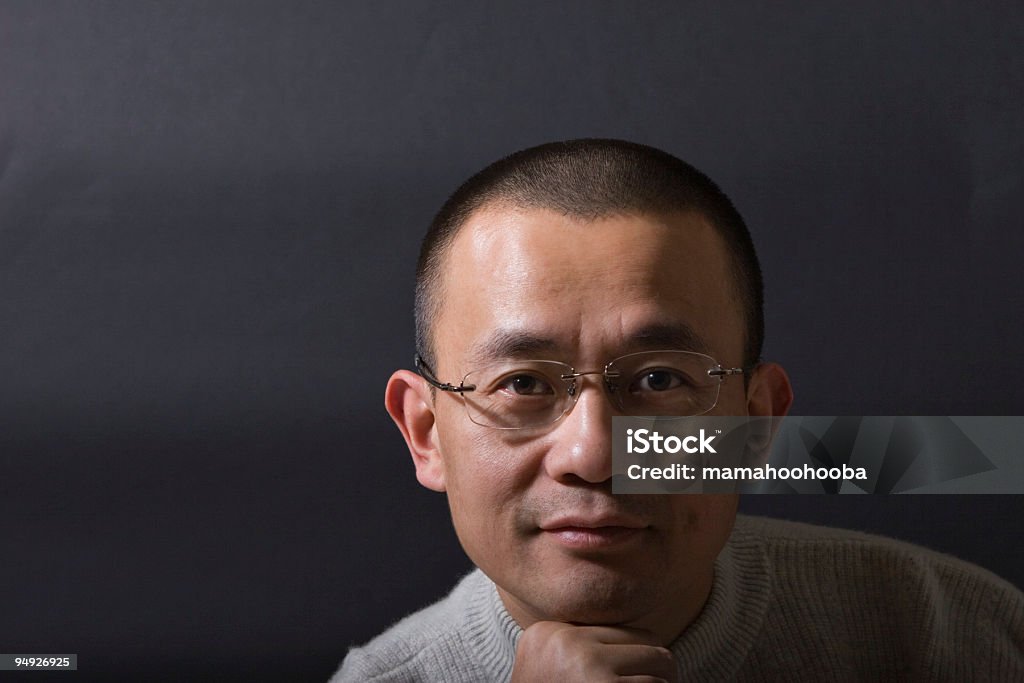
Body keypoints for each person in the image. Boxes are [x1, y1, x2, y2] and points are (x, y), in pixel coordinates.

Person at [334, 139, 1024, 682]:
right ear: (425, 432)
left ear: (758, 423)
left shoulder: (953, 633)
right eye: (523, 384)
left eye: (660, 379)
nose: (595, 455)